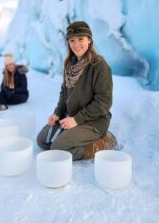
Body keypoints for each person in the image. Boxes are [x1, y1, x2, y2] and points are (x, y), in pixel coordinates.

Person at [37, 21, 117, 160]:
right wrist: (57, 114)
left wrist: (77, 120)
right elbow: (64, 93)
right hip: (71, 117)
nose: (76, 44)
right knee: (43, 141)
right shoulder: (70, 65)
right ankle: (73, 135)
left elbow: (104, 102)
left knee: (58, 149)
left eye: (81, 39)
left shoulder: (99, 66)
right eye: (72, 40)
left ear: (89, 40)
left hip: (94, 121)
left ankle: (103, 141)